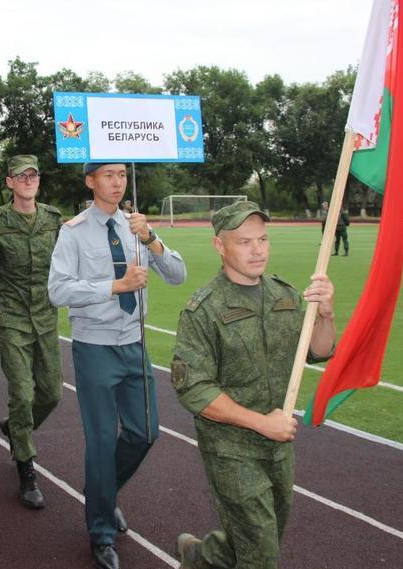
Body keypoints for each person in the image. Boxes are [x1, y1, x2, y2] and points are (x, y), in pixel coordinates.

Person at [170, 201, 337, 569]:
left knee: (260, 537)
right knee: (261, 554)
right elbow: (194, 389)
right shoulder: (204, 310)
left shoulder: (284, 295)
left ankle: (201, 556)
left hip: (278, 446)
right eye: (245, 242)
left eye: (262, 239)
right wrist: (262, 423)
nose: (257, 250)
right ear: (219, 246)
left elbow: (319, 350)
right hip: (231, 449)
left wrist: (326, 315)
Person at [49, 163, 187, 569]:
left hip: (134, 345)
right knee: (102, 441)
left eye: (122, 175)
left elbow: (177, 275)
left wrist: (152, 239)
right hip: (94, 347)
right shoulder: (73, 231)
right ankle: (101, 533)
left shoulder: (136, 226)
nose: (117, 182)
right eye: (108, 175)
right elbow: (57, 290)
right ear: (90, 181)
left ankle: (102, 495)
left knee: (145, 432)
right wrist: (115, 286)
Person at [0, 154, 64, 510]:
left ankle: (16, 427)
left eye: (33, 175)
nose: (28, 180)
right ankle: (25, 466)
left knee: (51, 393)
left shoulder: (53, 219)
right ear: (9, 182)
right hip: (12, 319)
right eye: (21, 176)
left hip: (46, 317)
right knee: (22, 393)